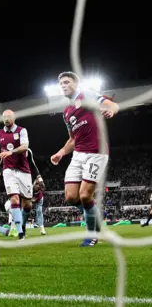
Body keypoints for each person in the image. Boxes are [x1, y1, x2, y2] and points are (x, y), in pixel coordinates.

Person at [50, 71, 119, 247]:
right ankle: (96, 218)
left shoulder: (87, 95)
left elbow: (112, 105)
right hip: (78, 155)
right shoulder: (66, 112)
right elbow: (72, 140)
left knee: (85, 195)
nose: (64, 86)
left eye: (67, 82)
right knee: (71, 197)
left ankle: (92, 234)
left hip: (96, 152)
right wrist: (60, 153)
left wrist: (111, 111)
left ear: (76, 84)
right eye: (61, 84)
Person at [0, 109, 32, 240]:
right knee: (14, 198)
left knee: (27, 204)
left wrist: (11, 152)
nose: (6, 119)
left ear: (14, 118)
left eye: (8, 116)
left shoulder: (22, 131)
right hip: (8, 169)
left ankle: (22, 225)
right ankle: (20, 233)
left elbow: (25, 146)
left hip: (23, 170)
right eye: (4, 117)